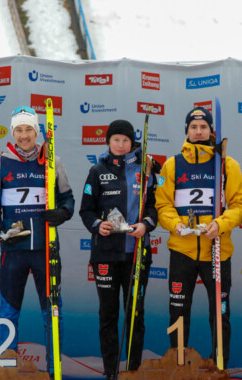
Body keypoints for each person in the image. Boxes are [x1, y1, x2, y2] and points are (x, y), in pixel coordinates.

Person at [0, 105, 74, 375]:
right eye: (19, 130)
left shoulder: (52, 161)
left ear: (37, 132)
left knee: (51, 314)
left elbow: (68, 199)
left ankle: (52, 370)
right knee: (9, 313)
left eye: (29, 129)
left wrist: (62, 213)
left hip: (46, 250)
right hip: (14, 251)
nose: (24, 135)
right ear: (13, 133)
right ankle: (8, 371)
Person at [155, 106, 242, 368]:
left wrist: (221, 224)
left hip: (217, 250)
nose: (198, 131)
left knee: (219, 314)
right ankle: (178, 365)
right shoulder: (172, 164)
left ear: (211, 131)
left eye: (203, 127)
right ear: (187, 131)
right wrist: (175, 225)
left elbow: (239, 204)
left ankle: (220, 367)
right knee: (178, 311)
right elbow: (163, 205)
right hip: (182, 251)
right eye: (193, 127)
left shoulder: (226, 164)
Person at [79, 120, 160, 379]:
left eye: (125, 140)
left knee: (136, 314)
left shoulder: (145, 170)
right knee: (108, 315)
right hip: (105, 254)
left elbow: (153, 208)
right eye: (116, 140)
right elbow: (86, 210)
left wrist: (145, 225)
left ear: (132, 142)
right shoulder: (97, 170)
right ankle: (111, 372)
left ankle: (133, 371)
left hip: (136, 253)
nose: (121, 144)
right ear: (108, 142)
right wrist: (97, 225)